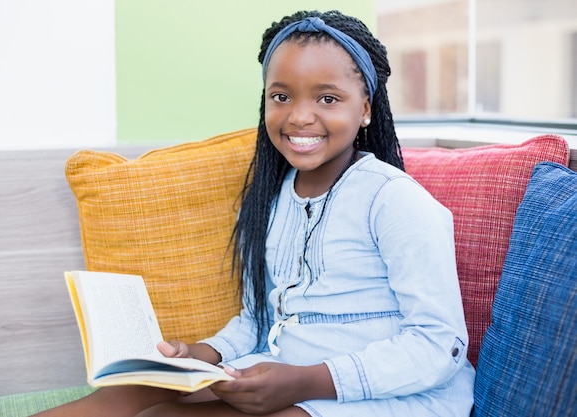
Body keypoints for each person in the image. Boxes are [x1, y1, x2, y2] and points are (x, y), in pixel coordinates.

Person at [34, 9, 475, 417]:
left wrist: (307, 382)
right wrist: (198, 355)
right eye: (281, 96)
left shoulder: (394, 199)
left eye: (327, 99)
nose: (300, 117)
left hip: (392, 393)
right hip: (286, 371)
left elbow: (441, 345)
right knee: (138, 395)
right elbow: (257, 321)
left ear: (364, 109)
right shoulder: (277, 195)